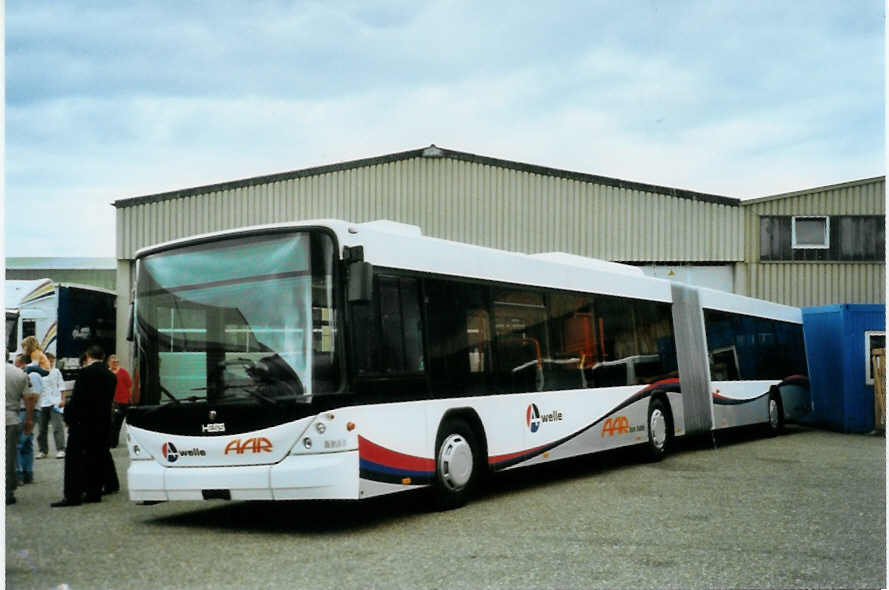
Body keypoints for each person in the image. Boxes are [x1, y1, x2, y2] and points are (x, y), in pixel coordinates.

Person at [51, 344, 116, 507]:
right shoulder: (110, 375)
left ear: (87, 356)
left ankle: (73, 495)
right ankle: (94, 492)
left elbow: (77, 400)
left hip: (83, 423)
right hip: (102, 422)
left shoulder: (85, 373)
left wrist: (68, 417)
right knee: (97, 457)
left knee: (74, 459)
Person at [6, 354, 34, 505]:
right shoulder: (19, 373)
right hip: (11, 417)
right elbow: (28, 398)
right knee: (9, 456)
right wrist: (29, 418)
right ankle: (7, 491)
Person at [14, 354, 42, 485]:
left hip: (27, 411)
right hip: (27, 411)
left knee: (18, 443)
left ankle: (19, 473)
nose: (15, 366)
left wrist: (29, 417)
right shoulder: (28, 375)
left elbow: (33, 396)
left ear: (22, 363)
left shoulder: (32, 376)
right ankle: (28, 472)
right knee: (27, 443)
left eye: (16, 363)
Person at [36, 353, 66, 459]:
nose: (51, 362)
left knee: (57, 427)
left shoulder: (56, 372)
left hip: (55, 403)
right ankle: (42, 450)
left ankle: (61, 449)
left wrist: (63, 399)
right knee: (41, 429)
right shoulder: (37, 373)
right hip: (41, 403)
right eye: (49, 360)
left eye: (52, 361)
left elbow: (62, 386)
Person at [107, 354, 132, 448]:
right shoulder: (107, 373)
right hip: (112, 402)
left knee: (118, 424)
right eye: (113, 362)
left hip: (123, 401)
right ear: (109, 363)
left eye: (117, 362)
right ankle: (112, 442)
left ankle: (114, 442)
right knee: (112, 423)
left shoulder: (123, 372)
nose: (115, 363)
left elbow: (129, 384)